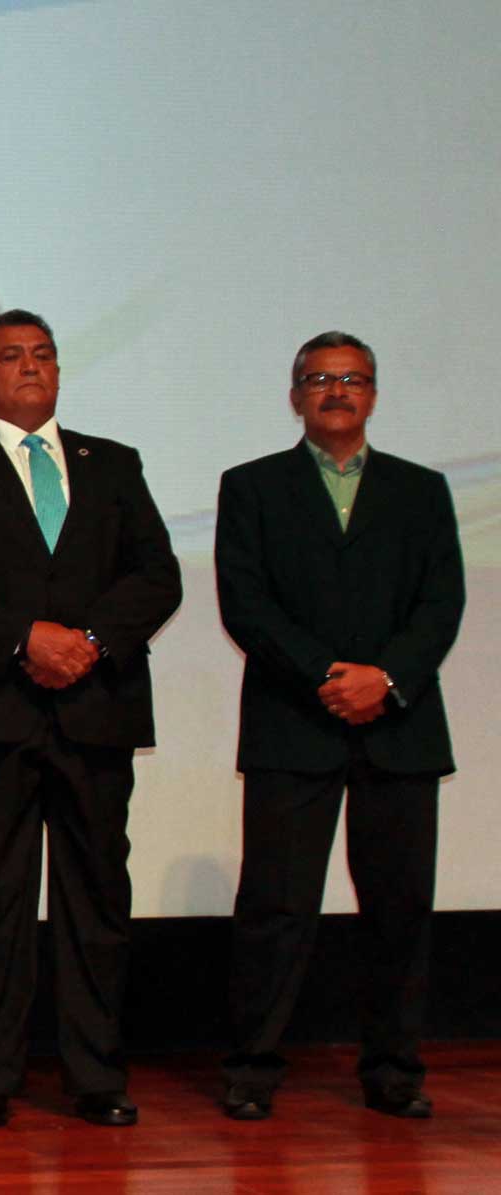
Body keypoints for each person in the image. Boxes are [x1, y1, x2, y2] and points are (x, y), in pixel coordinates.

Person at [0, 310, 181, 1129]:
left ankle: (96, 1074)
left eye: (43, 356)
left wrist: (88, 640)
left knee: (97, 894)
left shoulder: (113, 465)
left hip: (96, 706)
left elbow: (157, 575)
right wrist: (24, 640)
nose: (30, 368)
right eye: (10, 357)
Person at [215, 332, 464, 1122]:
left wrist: (385, 679)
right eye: (319, 378)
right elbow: (246, 604)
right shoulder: (251, 486)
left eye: (352, 379)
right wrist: (329, 676)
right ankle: (253, 1066)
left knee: (399, 906)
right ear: (294, 395)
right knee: (275, 907)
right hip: (295, 720)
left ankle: (393, 1068)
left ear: (374, 395)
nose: (336, 390)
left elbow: (441, 603)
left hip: (400, 724)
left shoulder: (422, 490)